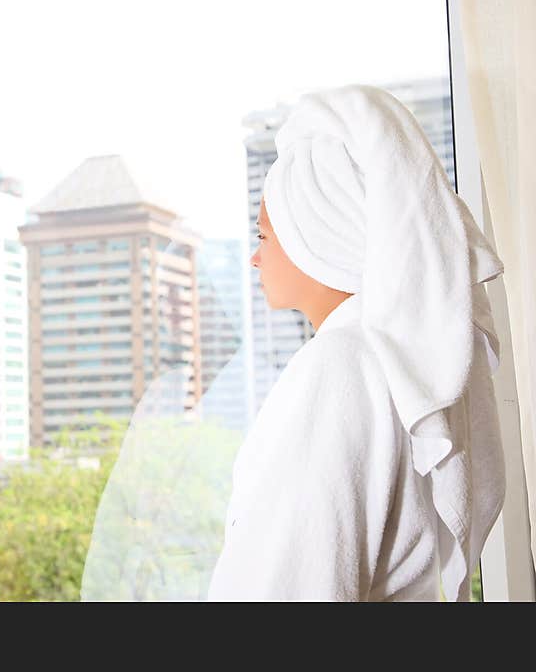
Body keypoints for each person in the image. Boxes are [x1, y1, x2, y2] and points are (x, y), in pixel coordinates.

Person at [206, 84, 506, 602]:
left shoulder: (340, 367)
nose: (254, 259)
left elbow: (293, 585)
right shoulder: (399, 362)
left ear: (317, 236)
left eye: (263, 237)